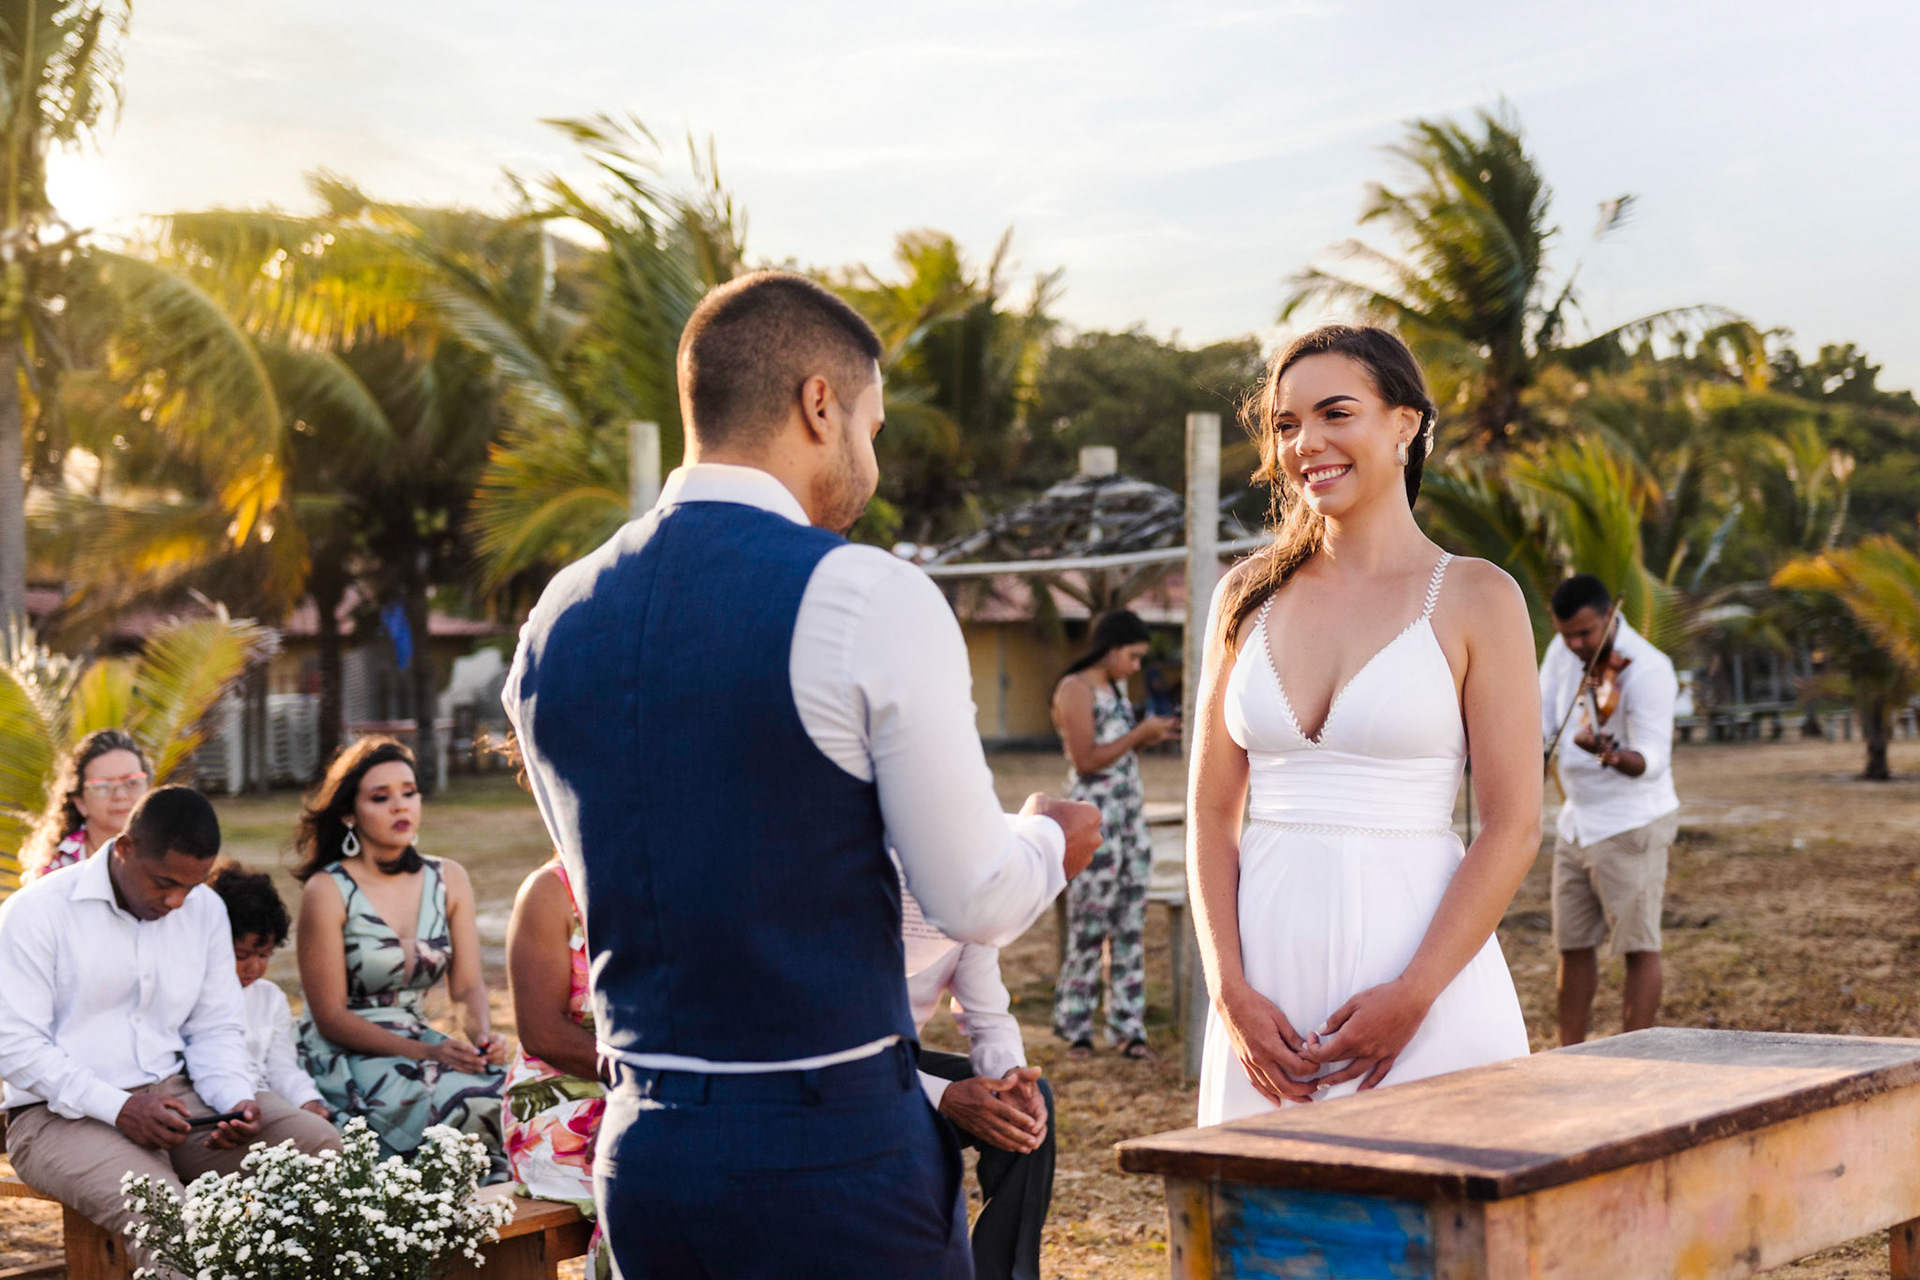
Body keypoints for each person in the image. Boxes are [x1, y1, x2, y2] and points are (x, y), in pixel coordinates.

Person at [503, 270, 1101, 1280]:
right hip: (830, 1156)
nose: (870, 453)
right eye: (870, 422)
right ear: (819, 404)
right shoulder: (864, 593)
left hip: (648, 1156)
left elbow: (600, 881)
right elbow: (973, 896)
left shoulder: (554, 619)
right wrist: (1050, 836)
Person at [1191, 324, 1540, 1124]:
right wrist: (1228, 990)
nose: (1306, 442)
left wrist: (1415, 994)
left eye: (1335, 413)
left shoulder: (1478, 597)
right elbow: (1213, 813)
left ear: (1404, 424)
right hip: (1265, 994)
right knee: (1267, 1234)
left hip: (1423, 980)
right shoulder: (1244, 596)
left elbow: (1514, 824)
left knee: (1436, 1232)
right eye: (1285, 424)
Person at [0, 787, 342, 1273]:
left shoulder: (204, 909)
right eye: (164, 883)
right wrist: (120, 1108)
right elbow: (15, 1048)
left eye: (193, 884)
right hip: (56, 1117)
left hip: (183, 1101)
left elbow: (216, 1026)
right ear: (124, 848)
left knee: (318, 1149)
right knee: (171, 1219)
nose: (177, 900)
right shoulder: (37, 912)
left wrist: (233, 1097)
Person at [291, 737, 508, 1173]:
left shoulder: (449, 879)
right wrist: (427, 1054)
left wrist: (482, 1041)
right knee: (427, 1101)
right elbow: (330, 1015)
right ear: (349, 813)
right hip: (345, 1052)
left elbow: (465, 986)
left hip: (418, 1039)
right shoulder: (327, 890)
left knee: (499, 1092)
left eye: (409, 792)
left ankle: (495, 1225)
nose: (400, 806)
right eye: (380, 797)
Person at [1540, 573, 1681, 1045]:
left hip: (1630, 823)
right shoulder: (1563, 653)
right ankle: (1570, 1053)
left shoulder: (1648, 668)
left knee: (1638, 946)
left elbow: (1654, 759)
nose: (1577, 645)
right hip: (1577, 823)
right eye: (1567, 635)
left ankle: (1634, 1058)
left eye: (1585, 633)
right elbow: (1543, 716)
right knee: (1572, 945)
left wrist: (1613, 755)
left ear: (1609, 615)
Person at [903, 878, 1054, 1280]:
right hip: (824, 1072)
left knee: (1023, 1113)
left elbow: (987, 1018)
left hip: (898, 1067)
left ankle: (1002, 1274)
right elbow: (847, 1049)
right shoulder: (847, 886)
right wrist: (944, 1096)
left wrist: (1010, 1078)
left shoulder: (960, 895)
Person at [1049, 610, 1178, 1060]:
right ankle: (1076, 1024)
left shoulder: (1117, 690)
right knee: (1089, 925)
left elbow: (1115, 753)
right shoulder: (1074, 689)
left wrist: (1146, 737)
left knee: (1130, 926)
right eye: (1133, 656)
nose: (1136, 667)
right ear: (1110, 648)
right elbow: (1086, 759)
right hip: (1093, 820)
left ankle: (1128, 1026)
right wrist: (1139, 732)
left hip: (1130, 820)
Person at [503, 854, 610, 1279]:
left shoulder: (674, 876)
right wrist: (640, 1094)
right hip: (560, 1097)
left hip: (661, 1087)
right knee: (645, 1172)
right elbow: (542, 1033)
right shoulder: (550, 891)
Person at [206, 861, 329, 1118]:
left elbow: (280, 1066)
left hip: (261, 1098)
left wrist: (307, 1100)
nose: (255, 966)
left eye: (264, 955)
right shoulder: (196, 993)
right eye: (241, 955)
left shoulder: (270, 998)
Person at [18, 729, 150, 882]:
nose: (120, 795)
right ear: (80, 802)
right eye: (103, 786)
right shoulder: (55, 869)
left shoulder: (175, 850)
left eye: (132, 782)